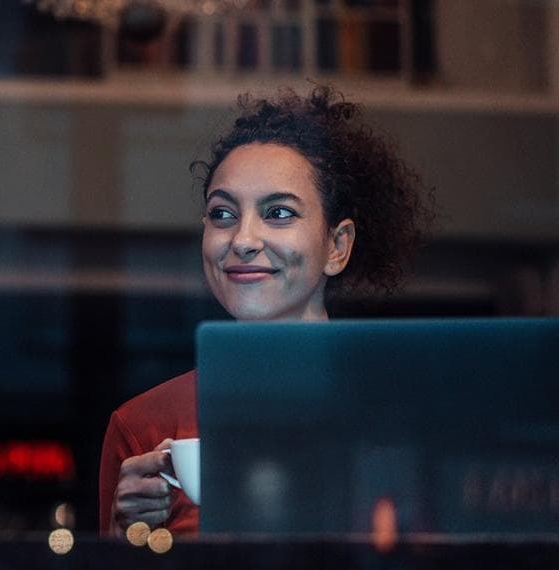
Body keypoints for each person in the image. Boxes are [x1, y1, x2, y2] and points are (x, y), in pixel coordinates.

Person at [97, 85, 434, 536]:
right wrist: (123, 543)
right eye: (222, 214)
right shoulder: (143, 426)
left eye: (278, 212)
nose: (242, 240)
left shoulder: (406, 410)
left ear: (337, 245)